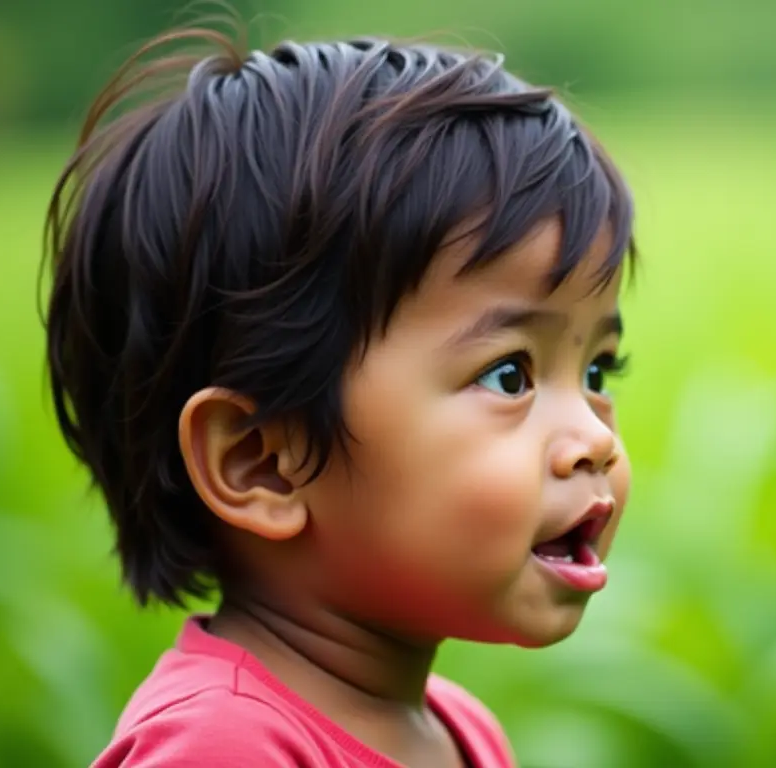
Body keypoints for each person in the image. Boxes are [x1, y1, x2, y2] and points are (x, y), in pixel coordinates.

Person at [42, 17, 636, 768]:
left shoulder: (460, 730)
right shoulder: (226, 748)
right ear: (262, 461)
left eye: (596, 373)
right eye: (509, 375)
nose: (596, 439)